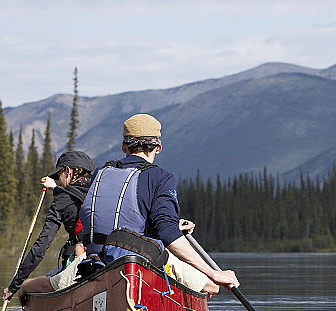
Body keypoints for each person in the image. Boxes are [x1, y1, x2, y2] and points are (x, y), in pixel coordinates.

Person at [36, 113, 238, 299]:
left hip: (95, 261)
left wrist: (173, 226)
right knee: (212, 286)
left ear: (124, 147)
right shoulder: (160, 178)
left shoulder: (100, 173)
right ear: (158, 147)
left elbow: (119, 218)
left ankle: (24, 289)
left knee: (47, 285)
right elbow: (166, 233)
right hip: (138, 263)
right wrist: (213, 273)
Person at [2, 151, 95, 303]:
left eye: (59, 175)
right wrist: (57, 189)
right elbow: (73, 194)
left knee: (30, 285)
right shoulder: (98, 190)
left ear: (68, 171)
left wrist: (15, 285)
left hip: (80, 262)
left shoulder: (62, 199)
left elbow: (41, 247)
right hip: (104, 256)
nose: (59, 180)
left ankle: (23, 287)